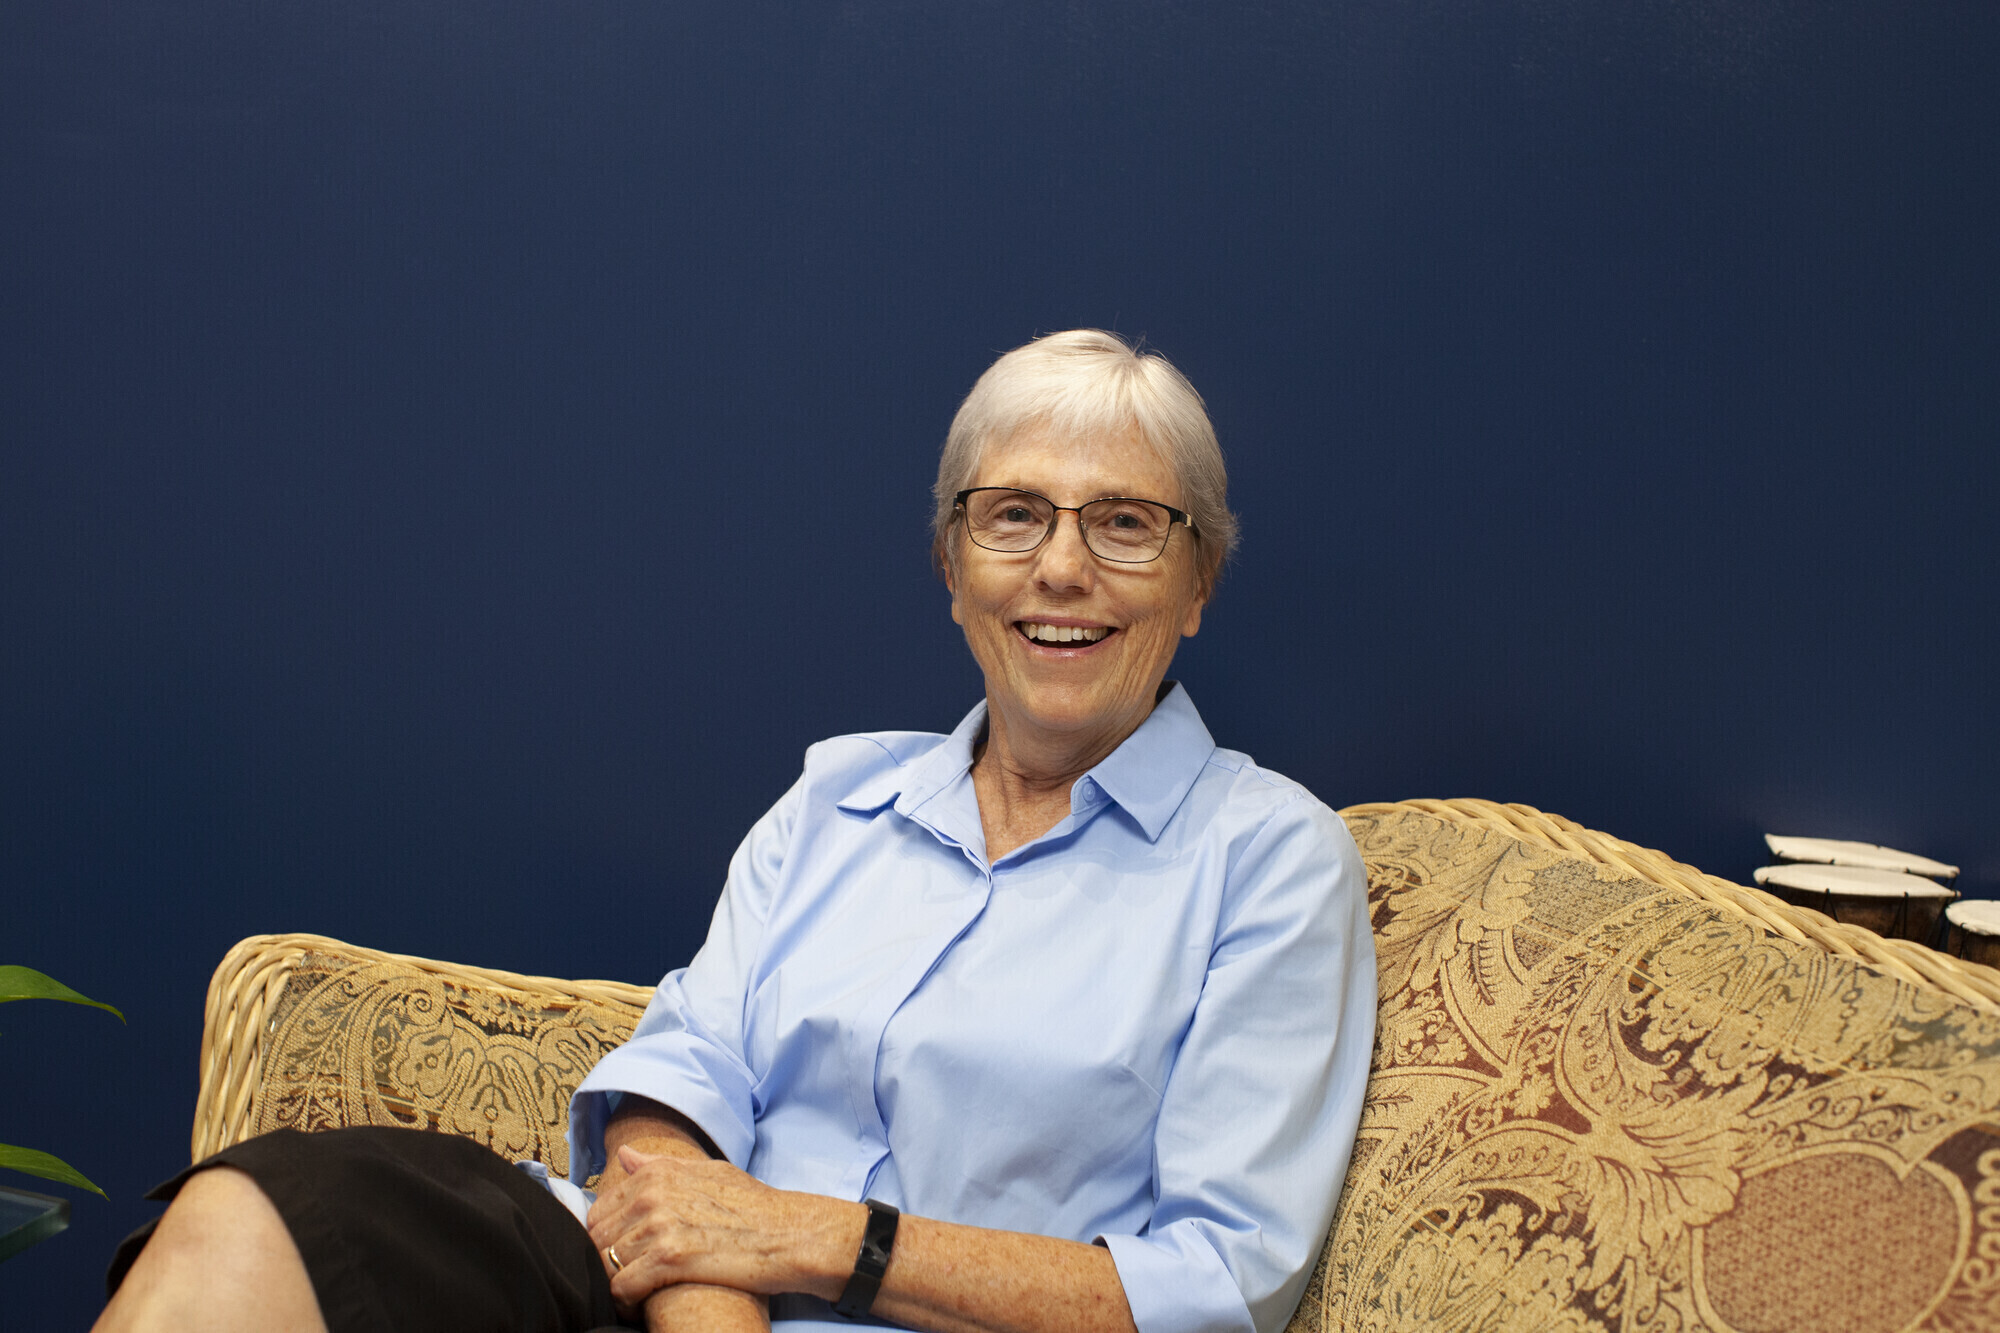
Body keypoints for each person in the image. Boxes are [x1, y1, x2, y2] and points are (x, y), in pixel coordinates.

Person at [95, 329, 1376, 1333]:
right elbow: (682, 1075)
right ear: (951, 564)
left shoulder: (1266, 862)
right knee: (261, 1210)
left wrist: (817, 1238)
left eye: (1125, 524)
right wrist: (713, 1299)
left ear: (1198, 584)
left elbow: (1214, 1284)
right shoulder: (836, 798)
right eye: (1012, 515)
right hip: (646, 1294)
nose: (1059, 567)